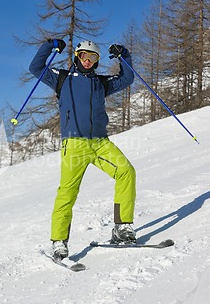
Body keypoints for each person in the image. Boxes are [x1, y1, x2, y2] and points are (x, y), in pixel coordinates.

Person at [29, 39, 137, 260]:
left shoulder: (101, 83)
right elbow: (36, 68)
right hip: (75, 145)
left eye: (93, 58)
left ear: (97, 61)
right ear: (77, 56)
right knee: (67, 192)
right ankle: (59, 241)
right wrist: (50, 45)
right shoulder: (61, 78)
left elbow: (127, 78)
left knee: (126, 172)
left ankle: (122, 227)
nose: (87, 61)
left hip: (100, 143)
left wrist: (123, 55)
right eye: (84, 56)